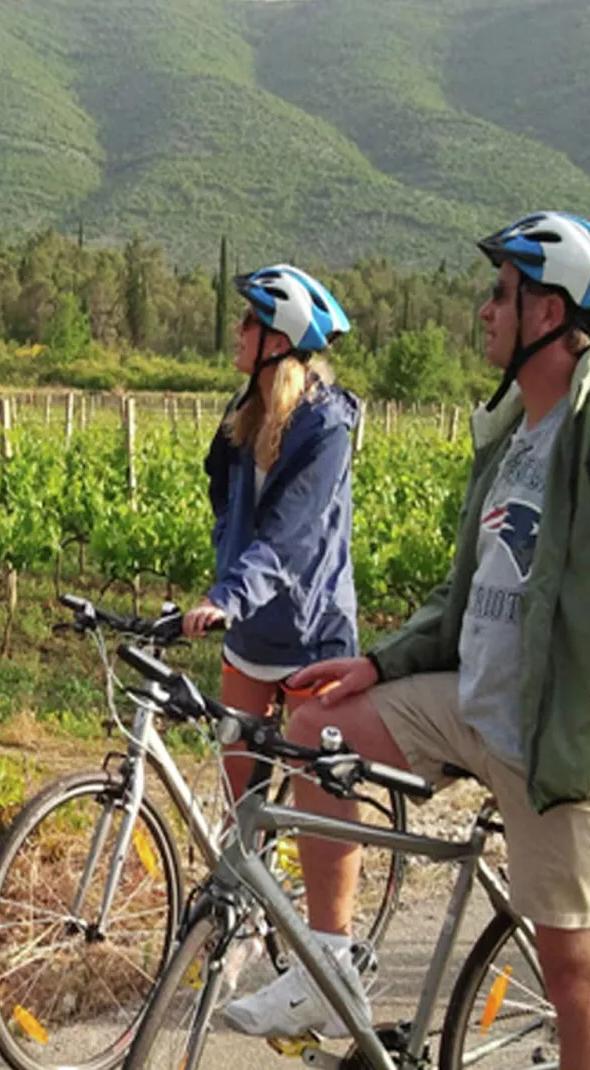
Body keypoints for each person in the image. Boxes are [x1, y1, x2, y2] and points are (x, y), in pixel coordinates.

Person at [222, 212, 590, 1067]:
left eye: (501, 294)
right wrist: (381, 662)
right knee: (319, 727)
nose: (484, 310)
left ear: (548, 312)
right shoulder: (511, 437)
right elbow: (468, 597)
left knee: (576, 975)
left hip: (554, 736)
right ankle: (331, 965)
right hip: (471, 702)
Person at [183, 265, 361, 810]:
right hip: (251, 631)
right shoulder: (243, 414)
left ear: (278, 340)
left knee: (319, 810)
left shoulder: (325, 428)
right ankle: (242, 892)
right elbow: (220, 487)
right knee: (242, 804)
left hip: (312, 632)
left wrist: (225, 595)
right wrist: (227, 547)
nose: (237, 331)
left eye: (249, 321)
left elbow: (291, 537)